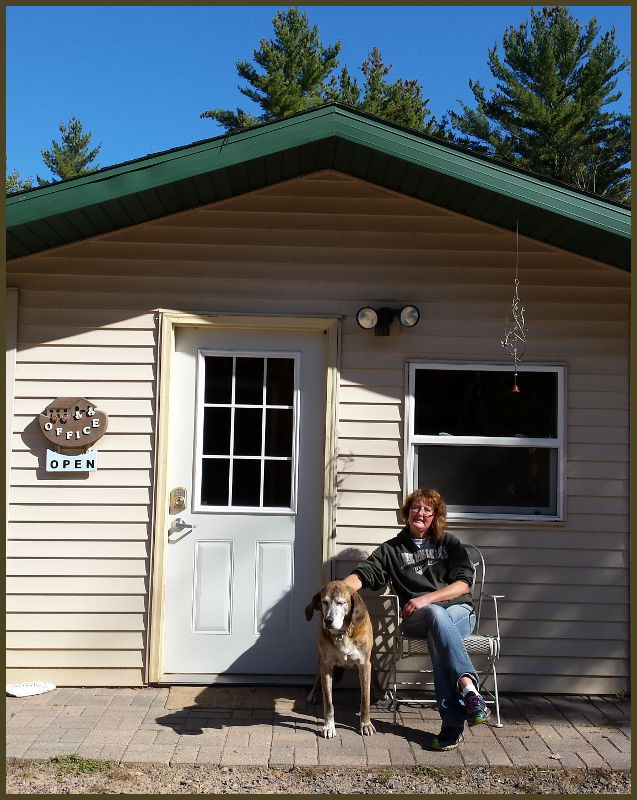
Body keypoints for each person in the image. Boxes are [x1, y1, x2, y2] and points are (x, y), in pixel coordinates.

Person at [341, 487, 491, 751]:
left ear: (435, 517)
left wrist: (426, 598)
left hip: (459, 613)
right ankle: (470, 691)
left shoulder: (449, 544)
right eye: (415, 508)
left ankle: (453, 725)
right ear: (407, 513)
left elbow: (463, 585)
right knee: (435, 617)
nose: (420, 513)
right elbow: (366, 573)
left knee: (438, 627)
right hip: (417, 620)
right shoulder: (392, 549)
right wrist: (339, 590)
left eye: (427, 510)